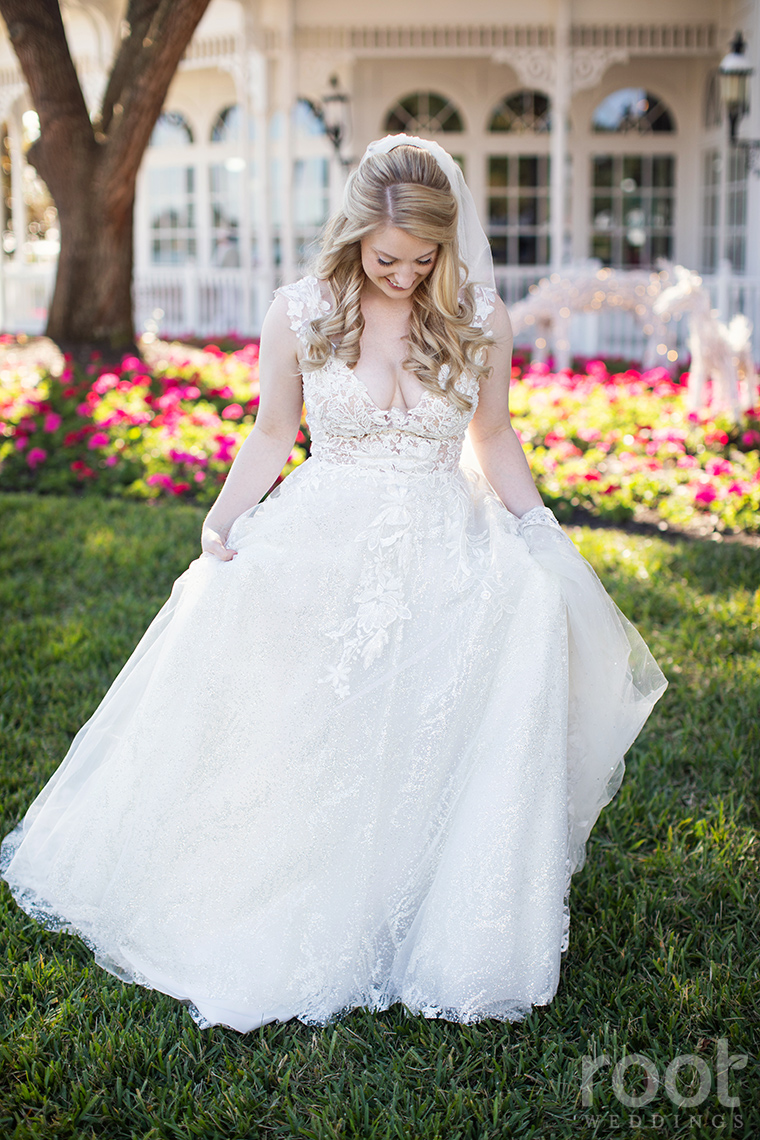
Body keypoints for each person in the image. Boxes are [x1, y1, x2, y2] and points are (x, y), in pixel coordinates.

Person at [0, 135, 667, 1033]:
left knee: (519, 608)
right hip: (328, 520)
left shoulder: (477, 314)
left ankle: (435, 884)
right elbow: (274, 433)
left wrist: (535, 525)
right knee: (280, 657)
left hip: (442, 527)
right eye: (387, 256)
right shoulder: (302, 311)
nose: (403, 274)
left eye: (423, 258)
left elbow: (494, 439)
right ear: (354, 233)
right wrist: (223, 519)